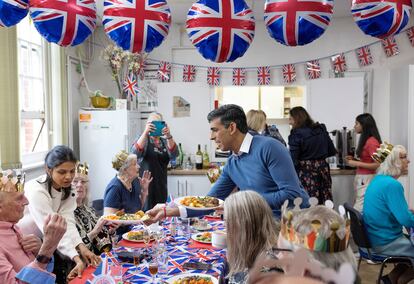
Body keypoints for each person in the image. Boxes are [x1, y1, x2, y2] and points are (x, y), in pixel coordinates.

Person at [147, 104, 309, 221]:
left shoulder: (269, 147)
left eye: (215, 130)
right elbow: (210, 202)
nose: (211, 137)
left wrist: (240, 204)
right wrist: (168, 210)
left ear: (232, 128)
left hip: (291, 224)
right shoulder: (232, 163)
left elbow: (292, 194)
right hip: (261, 222)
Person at [18, 145, 100, 281]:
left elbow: (67, 223)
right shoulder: (37, 191)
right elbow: (55, 230)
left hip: (44, 242)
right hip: (25, 242)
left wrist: (81, 248)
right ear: (48, 170)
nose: (68, 177)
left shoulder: (67, 189)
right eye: (62, 172)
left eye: (72, 171)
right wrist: (76, 257)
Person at [0, 169, 67, 284]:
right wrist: (47, 249)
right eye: (19, 198)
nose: (26, 202)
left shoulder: (14, 227)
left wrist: (39, 251)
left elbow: (45, 272)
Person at [363, 144, 414, 283]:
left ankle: (390, 279)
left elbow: (395, 212)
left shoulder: (378, 180)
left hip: (373, 238)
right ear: (394, 162)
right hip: (384, 241)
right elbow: (407, 220)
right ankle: (401, 280)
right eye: (404, 157)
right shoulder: (392, 185)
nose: (408, 161)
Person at [225, 191, 279, 284]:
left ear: (243, 226)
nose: (225, 226)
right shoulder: (253, 249)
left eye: (228, 221)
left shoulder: (267, 269)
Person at [288, 107, 337, 204]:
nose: (289, 122)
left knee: (310, 202)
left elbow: (293, 160)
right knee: (326, 201)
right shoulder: (321, 129)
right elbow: (331, 150)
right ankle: (328, 219)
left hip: (307, 172)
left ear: (296, 119)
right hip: (323, 169)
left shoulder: (296, 134)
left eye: (290, 119)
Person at [131, 112, 178, 210]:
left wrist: (168, 135)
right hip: (144, 187)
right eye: (151, 123)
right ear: (147, 125)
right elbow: (134, 154)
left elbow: (174, 155)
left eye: (157, 123)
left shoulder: (164, 142)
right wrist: (145, 133)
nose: (154, 126)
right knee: (144, 215)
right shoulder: (143, 139)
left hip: (161, 186)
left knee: (160, 214)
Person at [73, 162, 117, 254]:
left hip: (102, 259)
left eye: (83, 181)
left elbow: (104, 242)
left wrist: (111, 231)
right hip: (83, 265)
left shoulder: (89, 209)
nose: (80, 185)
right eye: (75, 181)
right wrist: (95, 231)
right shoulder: (66, 215)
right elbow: (74, 251)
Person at [345, 113, 381, 212]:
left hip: (366, 178)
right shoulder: (367, 140)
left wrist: (356, 163)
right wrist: (355, 160)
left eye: (356, 123)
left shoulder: (372, 142)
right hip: (363, 178)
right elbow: (368, 160)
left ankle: (356, 227)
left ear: (364, 125)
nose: (354, 126)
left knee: (359, 208)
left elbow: (377, 164)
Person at [103, 150, 153, 216]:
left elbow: (137, 209)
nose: (139, 166)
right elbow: (108, 217)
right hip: (120, 226)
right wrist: (123, 220)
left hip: (133, 225)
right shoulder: (115, 188)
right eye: (135, 164)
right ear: (125, 169)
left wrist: (144, 190)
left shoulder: (134, 183)